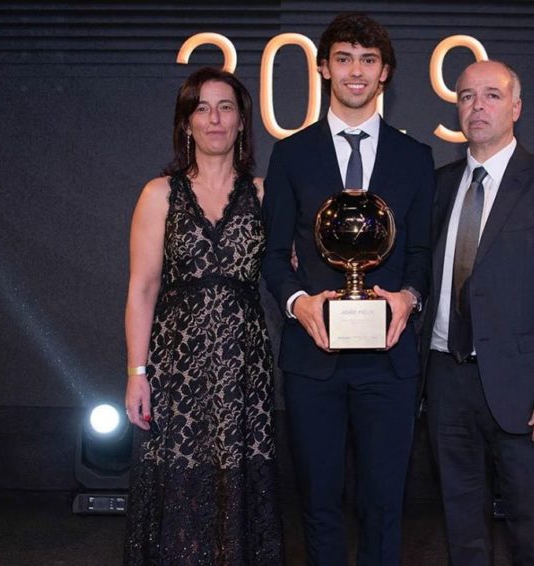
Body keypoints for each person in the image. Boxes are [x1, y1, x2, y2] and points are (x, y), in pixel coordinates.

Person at [261, 13, 435, 566]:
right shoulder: (291, 154)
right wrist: (299, 303)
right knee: (318, 502)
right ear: (323, 69)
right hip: (313, 358)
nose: (355, 71)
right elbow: (271, 255)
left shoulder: (416, 158)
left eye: (368, 60)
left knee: (384, 504)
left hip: (389, 359)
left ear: (385, 73)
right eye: (343, 58)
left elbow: (422, 253)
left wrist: (408, 298)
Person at [421, 60, 534, 566]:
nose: (477, 106)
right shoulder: (438, 186)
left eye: (492, 95)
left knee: (533, 539)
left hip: (526, 392)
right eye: (466, 96)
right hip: (446, 382)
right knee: (462, 534)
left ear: (516, 108)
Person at [123, 67, 284, 565]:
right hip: (177, 370)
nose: (214, 119)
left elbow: (289, 270)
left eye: (225, 107)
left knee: (240, 485)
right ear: (186, 123)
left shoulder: (265, 195)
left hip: (243, 369)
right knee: (180, 489)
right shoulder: (159, 194)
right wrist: (136, 373)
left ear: (242, 122)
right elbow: (142, 288)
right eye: (202, 108)